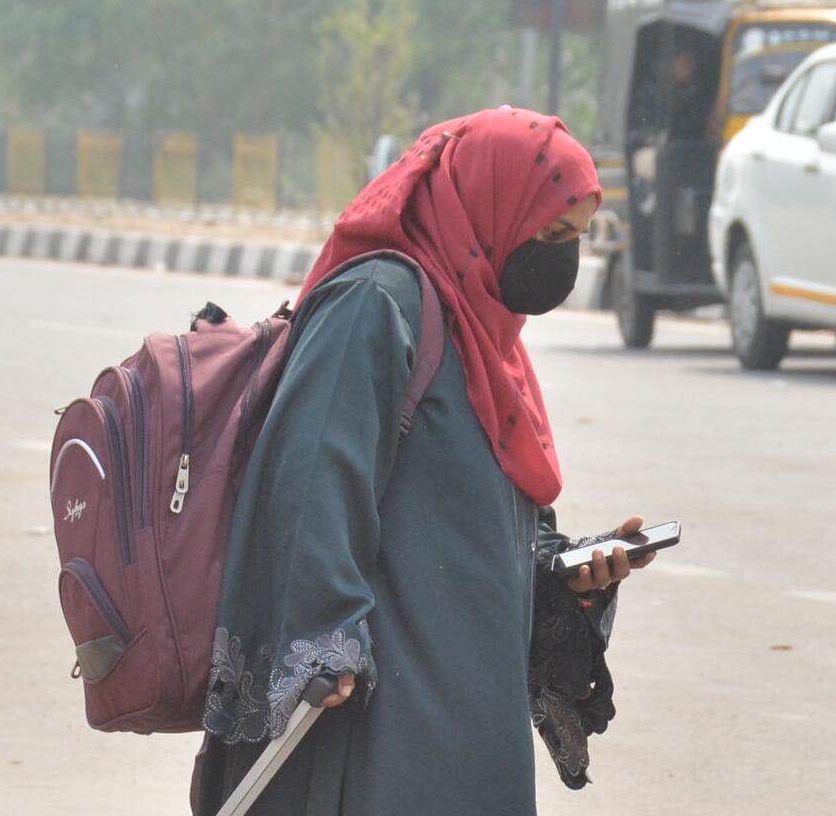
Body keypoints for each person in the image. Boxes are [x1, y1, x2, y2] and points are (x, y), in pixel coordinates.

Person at [191, 107, 658, 815]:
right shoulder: (376, 304)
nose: (565, 258)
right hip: (380, 717)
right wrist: (325, 636)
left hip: (469, 714)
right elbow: (312, 478)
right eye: (553, 234)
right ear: (490, 211)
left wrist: (567, 571)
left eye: (578, 240)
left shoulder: (488, 339)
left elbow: (477, 519)